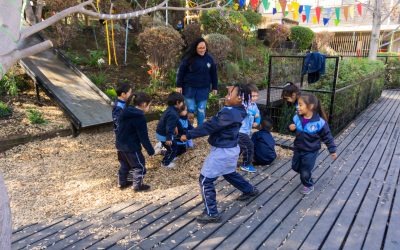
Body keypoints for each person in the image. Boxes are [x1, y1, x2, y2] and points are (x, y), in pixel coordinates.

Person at [181, 84, 259, 223]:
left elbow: (210, 126)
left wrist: (189, 135)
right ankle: (249, 190)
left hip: (222, 151)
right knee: (229, 172)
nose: (226, 95)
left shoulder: (229, 113)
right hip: (231, 149)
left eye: (230, 94)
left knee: (205, 179)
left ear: (239, 99)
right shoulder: (238, 109)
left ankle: (212, 213)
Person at [289, 93, 337, 195]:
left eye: (300, 105)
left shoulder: (319, 122)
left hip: (311, 151)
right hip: (298, 148)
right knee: (295, 167)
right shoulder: (297, 118)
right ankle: (304, 174)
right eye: (298, 104)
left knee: (305, 171)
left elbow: (327, 137)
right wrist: (291, 128)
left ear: (310, 106)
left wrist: (332, 150)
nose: (298, 107)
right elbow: (293, 128)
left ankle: (308, 185)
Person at [116, 92, 154, 191]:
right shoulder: (139, 117)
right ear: (144, 105)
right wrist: (150, 150)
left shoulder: (125, 111)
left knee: (125, 165)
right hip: (132, 147)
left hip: (120, 145)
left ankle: (122, 182)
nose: (149, 108)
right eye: (149, 105)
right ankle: (137, 186)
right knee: (139, 165)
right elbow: (143, 137)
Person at [176, 38, 218, 126]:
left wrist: (215, 87)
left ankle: (200, 128)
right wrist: (179, 85)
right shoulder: (188, 58)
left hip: (203, 89)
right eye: (200, 48)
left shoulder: (209, 59)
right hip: (189, 88)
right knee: (190, 109)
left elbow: (214, 73)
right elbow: (181, 72)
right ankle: (188, 127)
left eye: (204, 47)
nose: (202, 50)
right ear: (195, 48)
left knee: (201, 109)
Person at [156, 92, 185, 168]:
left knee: (173, 146)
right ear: (178, 102)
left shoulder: (170, 109)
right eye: (182, 102)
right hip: (164, 135)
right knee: (173, 149)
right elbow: (169, 127)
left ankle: (170, 156)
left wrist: (175, 126)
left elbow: (169, 121)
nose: (183, 104)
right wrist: (168, 138)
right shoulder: (173, 114)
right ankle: (165, 163)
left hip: (161, 132)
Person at [239, 83, 261, 173]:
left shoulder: (254, 104)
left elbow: (258, 114)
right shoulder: (243, 103)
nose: (255, 98)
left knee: (239, 148)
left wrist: (257, 122)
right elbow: (246, 110)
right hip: (240, 131)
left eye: (256, 96)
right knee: (249, 146)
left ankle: (229, 163)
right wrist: (253, 113)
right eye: (253, 96)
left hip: (247, 131)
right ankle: (246, 164)